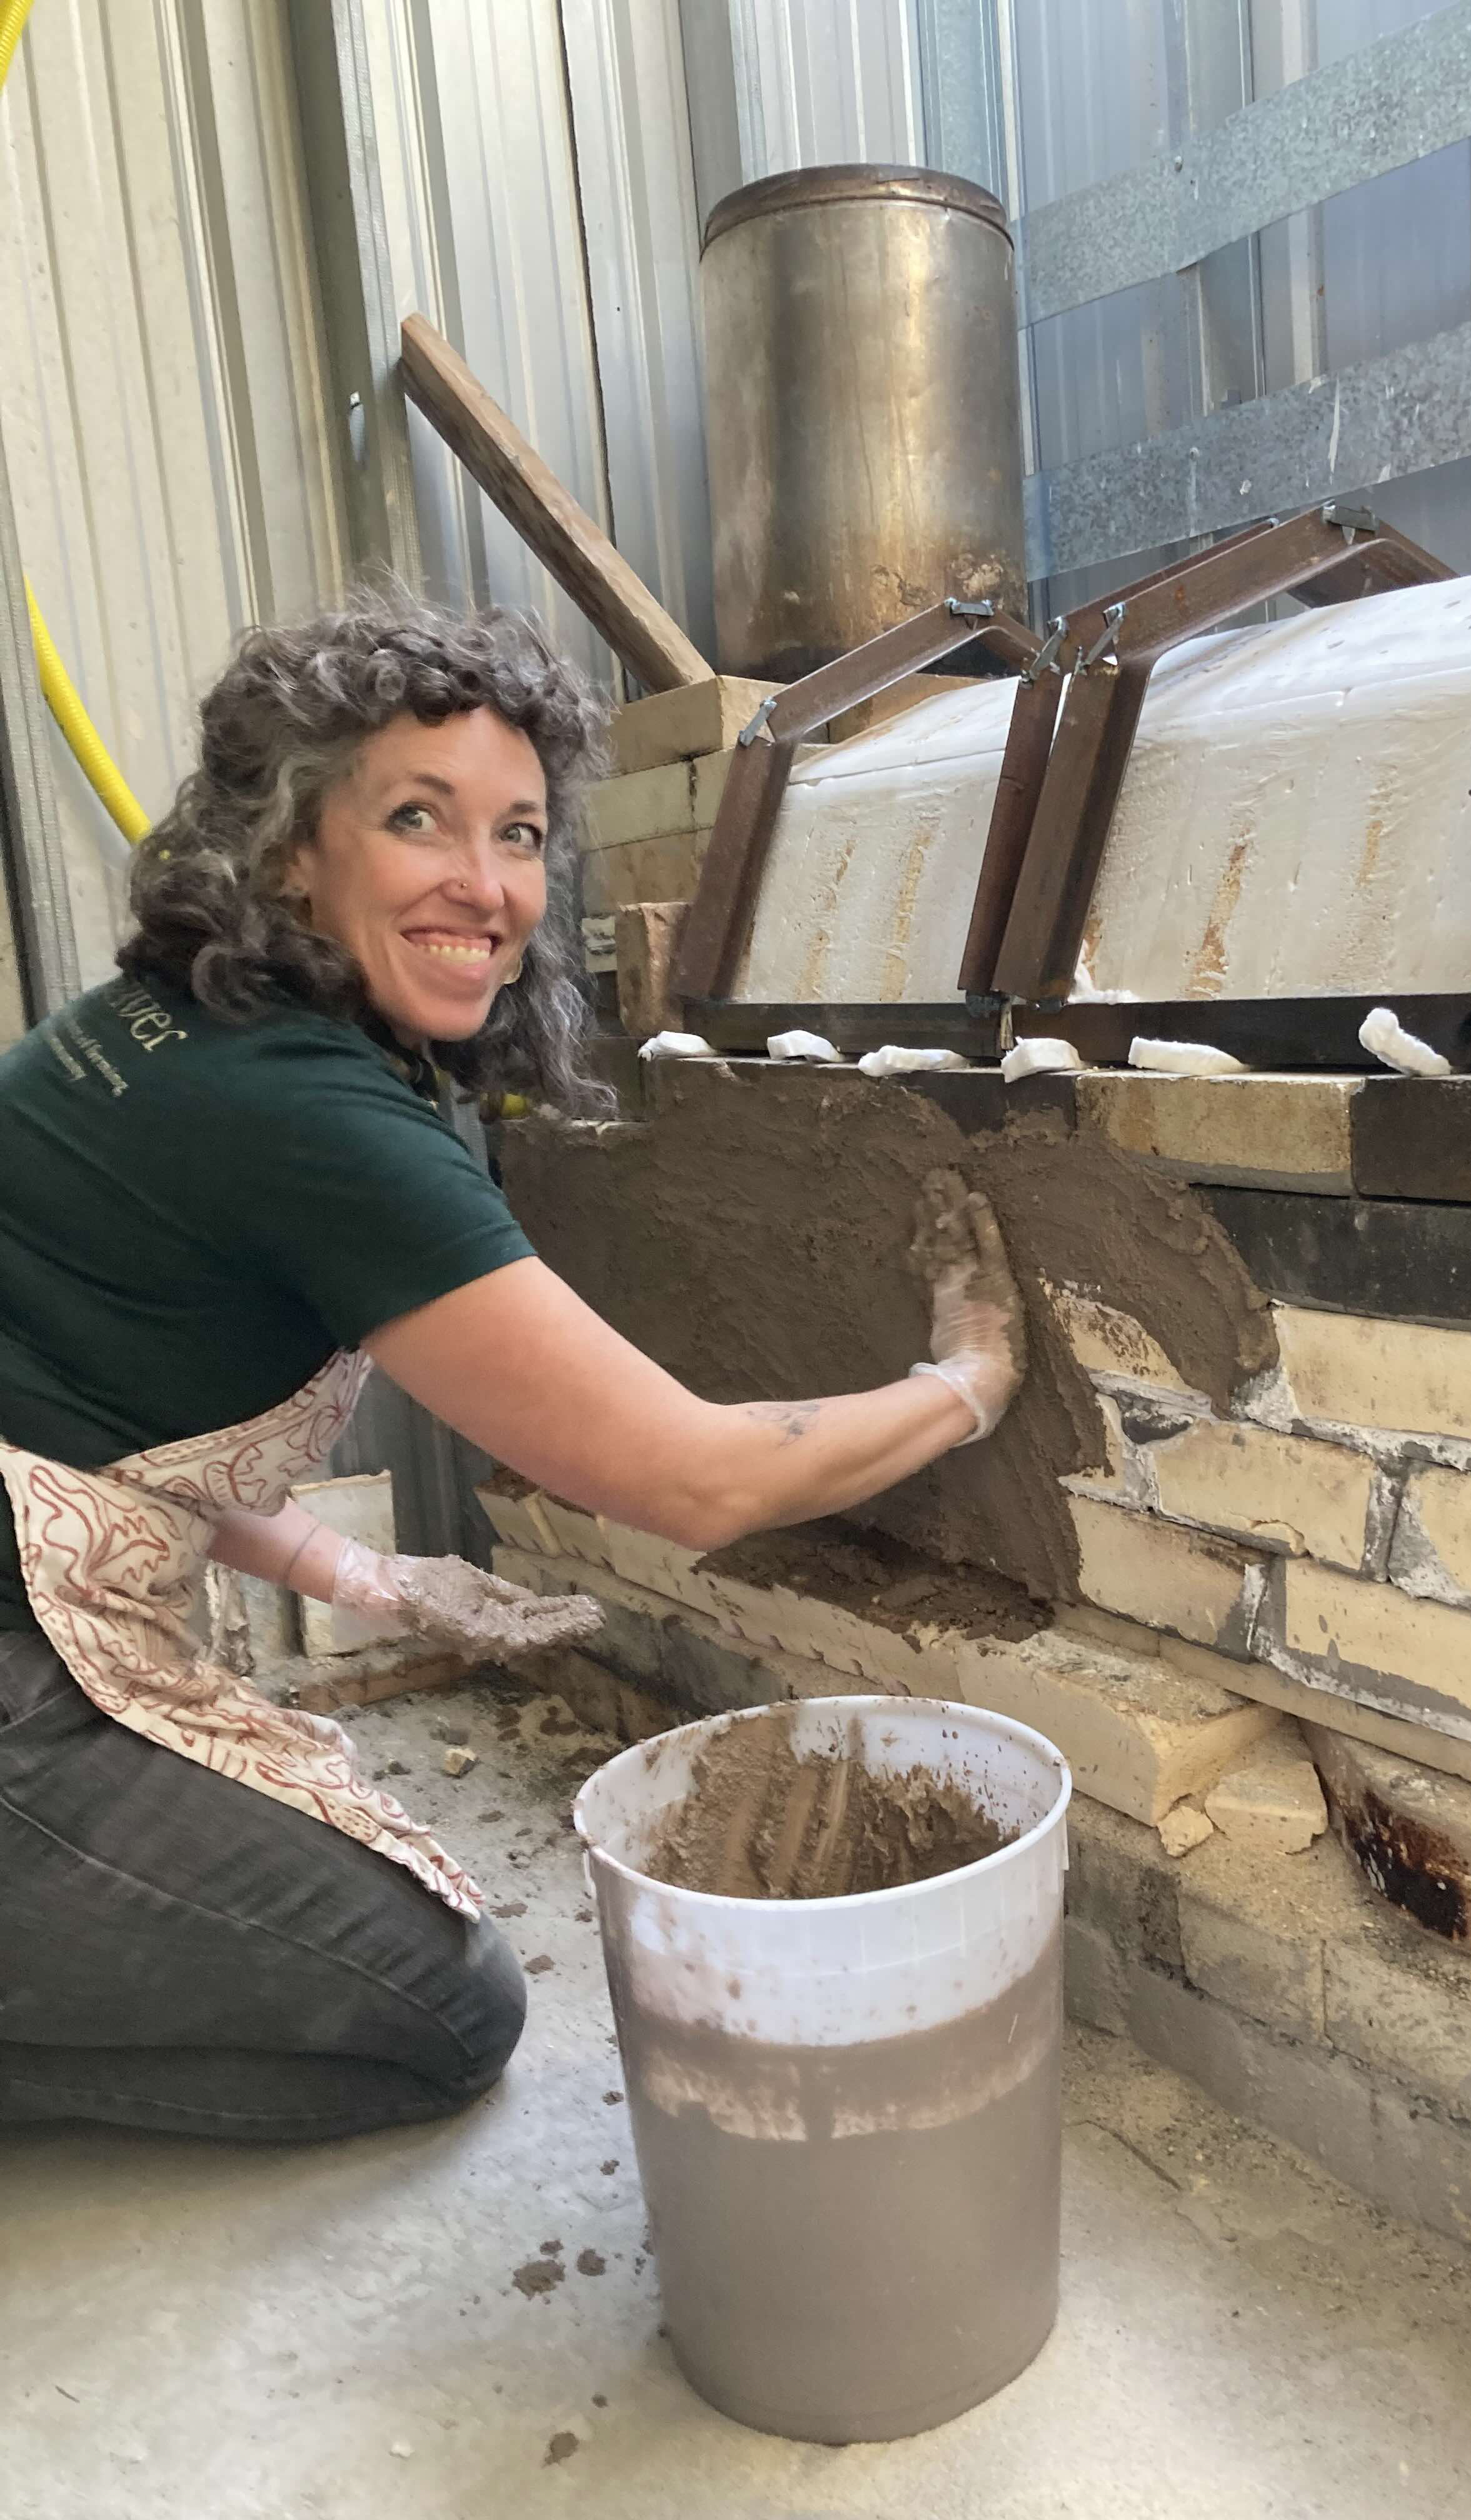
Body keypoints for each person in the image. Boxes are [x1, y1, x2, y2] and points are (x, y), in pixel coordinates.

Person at [0, 588, 1025, 2144]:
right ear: (291, 847)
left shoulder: (171, 1018)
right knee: (441, 2011)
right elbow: (692, 1479)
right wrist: (968, 1384)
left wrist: (373, 1577)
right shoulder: (315, 1119)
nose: (485, 887)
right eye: (418, 819)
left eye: (523, 835)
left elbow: (96, 1411)